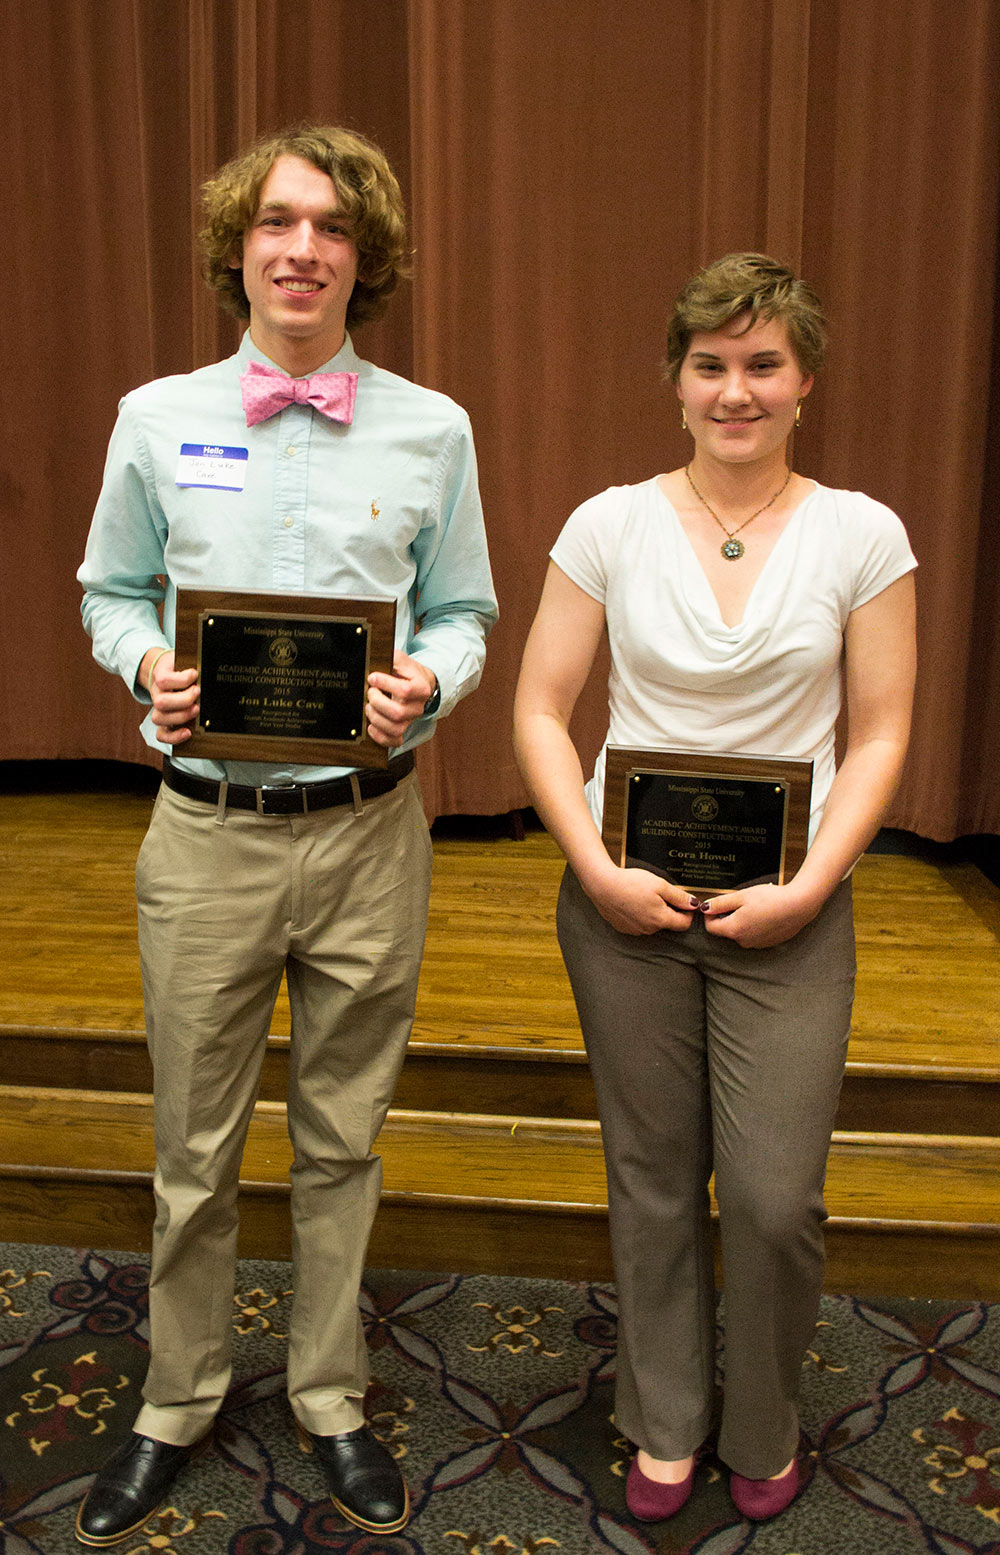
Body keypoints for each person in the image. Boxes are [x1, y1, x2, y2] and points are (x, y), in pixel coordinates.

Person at [75, 124, 496, 1545]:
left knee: (342, 1140)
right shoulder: (152, 416)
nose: (301, 246)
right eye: (275, 221)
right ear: (237, 247)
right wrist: (145, 667)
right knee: (193, 1152)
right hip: (205, 840)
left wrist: (433, 675)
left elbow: (465, 613)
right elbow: (109, 592)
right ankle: (175, 1397)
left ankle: (329, 1392)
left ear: (363, 258)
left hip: (372, 836)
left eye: (328, 225)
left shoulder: (433, 428)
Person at [513, 253, 915, 1523]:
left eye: (761, 366)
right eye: (710, 365)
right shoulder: (607, 522)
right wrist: (592, 865)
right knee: (650, 1177)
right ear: (675, 381)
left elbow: (885, 732)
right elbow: (537, 707)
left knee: (772, 1196)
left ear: (803, 383)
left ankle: (764, 1413)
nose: (734, 391)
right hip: (620, 904)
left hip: (789, 913)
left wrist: (809, 890)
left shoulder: (862, 532)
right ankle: (665, 1414)